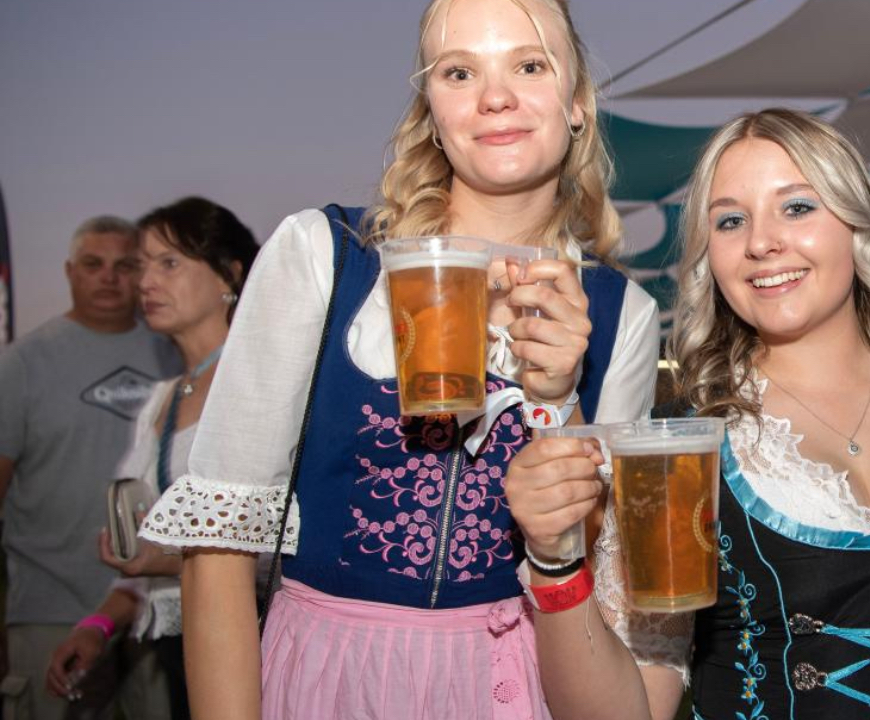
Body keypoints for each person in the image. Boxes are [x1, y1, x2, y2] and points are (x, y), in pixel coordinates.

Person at [138, 1, 659, 718]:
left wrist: (557, 399)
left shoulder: (622, 317)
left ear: (575, 103)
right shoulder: (324, 258)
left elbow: (586, 576)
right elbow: (220, 554)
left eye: (529, 65)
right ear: (433, 111)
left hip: (518, 683)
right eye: (459, 71)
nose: (495, 96)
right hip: (329, 676)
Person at [506, 108, 870, 720]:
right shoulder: (677, 453)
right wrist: (556, 563)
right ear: (710, 256)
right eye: (731, 220)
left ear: (856, 223)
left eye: (797, 207)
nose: (762, 242)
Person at [45, 198, 259, 720]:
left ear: (229, 274)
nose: (145, 281)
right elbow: (139, 554)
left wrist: (158, 558)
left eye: (169, 263)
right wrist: (98, 626)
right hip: (174, 648)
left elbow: (285, 538)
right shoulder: (160, 400)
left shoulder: (259, 387)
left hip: (251, 644)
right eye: (142, 264)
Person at [0, 216, 180, 719]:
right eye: (93, 264)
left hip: (153, 609)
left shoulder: (172, 353)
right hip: (51, 611)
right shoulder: (22, 364)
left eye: (125, 265)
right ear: (68, 271)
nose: (109, 277)